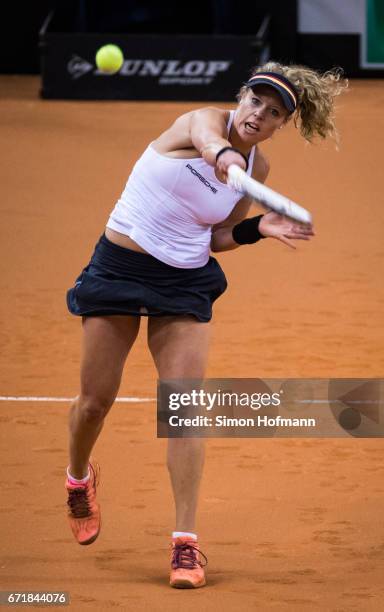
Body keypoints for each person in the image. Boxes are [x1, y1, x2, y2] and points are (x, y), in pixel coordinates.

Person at [64, 60, 347, 588]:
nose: (259, 115)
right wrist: (221, 158)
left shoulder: (258, 171)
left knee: (185, 407)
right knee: (94, 402)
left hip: (184, 283)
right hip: (120, 268)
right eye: (256, 102)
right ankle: (78, 477)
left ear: (282, 124)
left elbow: (216, 235)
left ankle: (185, 544)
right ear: (240, 97)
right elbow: (209, 141)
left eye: (274, 113)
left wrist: (257, 226)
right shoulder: (199, 122)